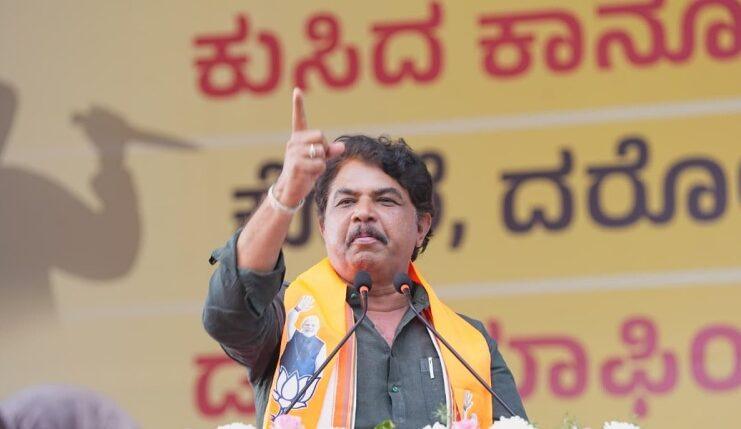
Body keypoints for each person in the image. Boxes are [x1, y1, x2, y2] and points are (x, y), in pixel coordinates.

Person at [203, 89, 527, 428]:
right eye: (346, 202)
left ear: (421, 227)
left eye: (385, 201)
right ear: (323, 227)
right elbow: (227, 313)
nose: (363, 213)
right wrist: (287, 189)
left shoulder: (469, 344)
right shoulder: (286, 317)